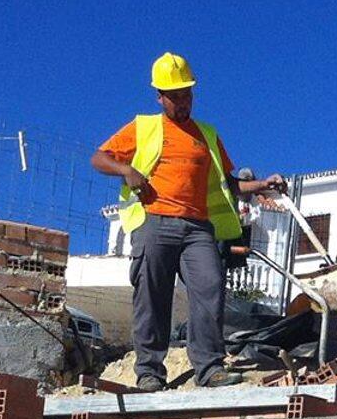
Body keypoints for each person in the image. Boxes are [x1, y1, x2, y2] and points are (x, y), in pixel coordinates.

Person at [90, 52, 286, 391]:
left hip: (198, 229)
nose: (183, 102)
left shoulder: (206, 134)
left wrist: (262, 184)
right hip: (155, 222)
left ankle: (209, 368)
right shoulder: (145, 126)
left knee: (210, 288)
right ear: (160, 97)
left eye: (187, 95)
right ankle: (150, 371)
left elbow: (229, 182)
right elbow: (99, 157)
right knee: (152, 296)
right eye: (175, 96)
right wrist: (127, 170)